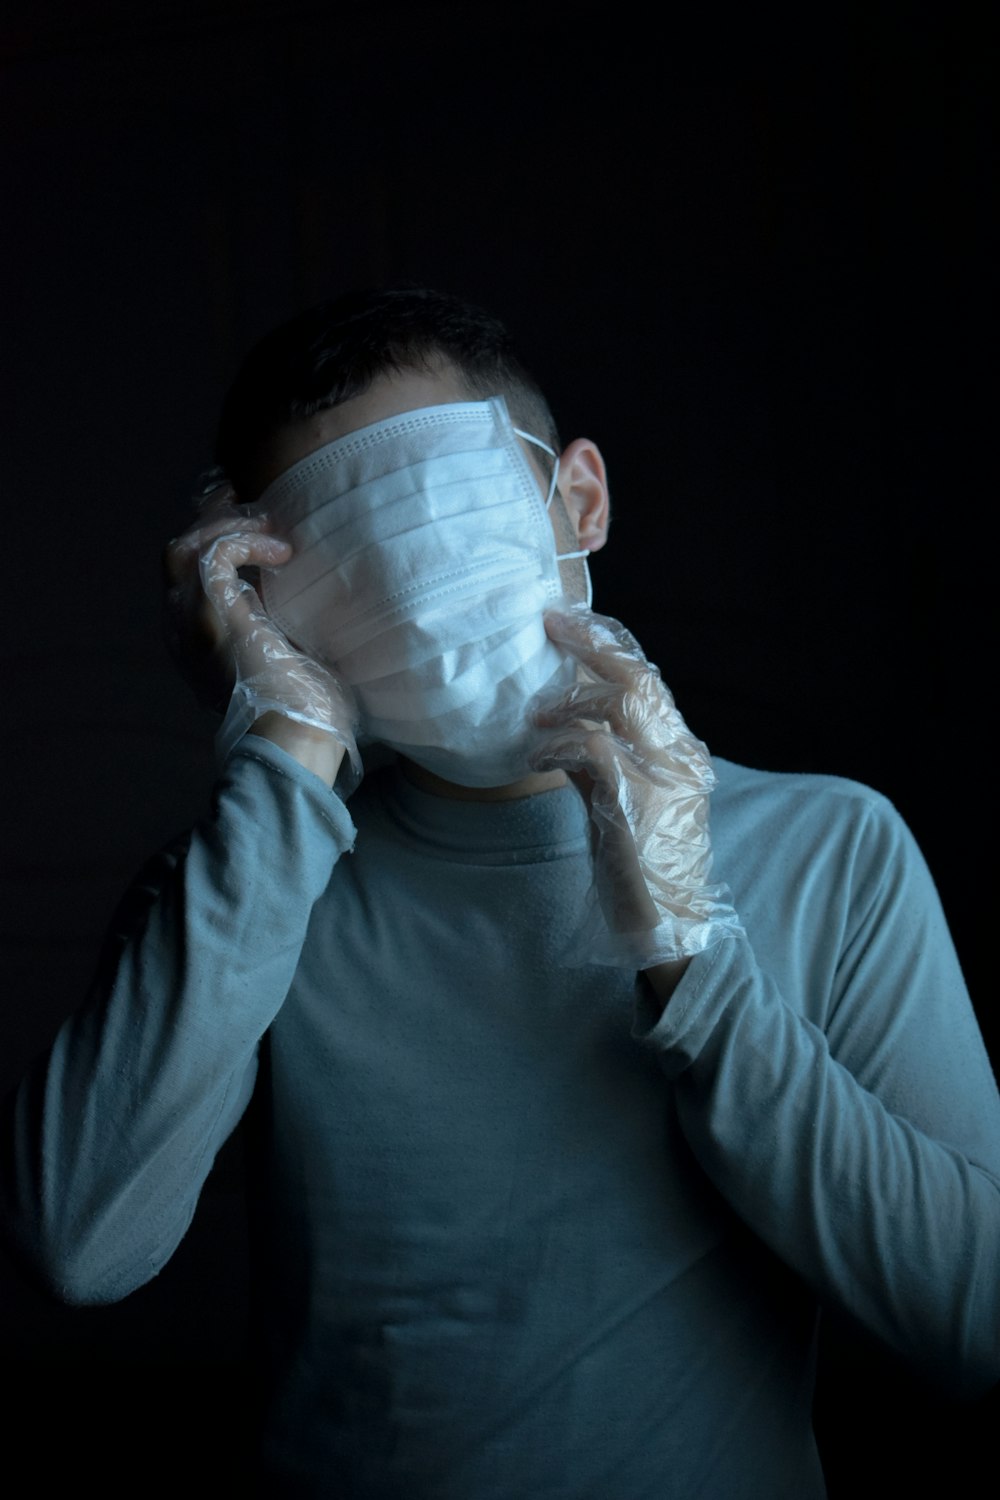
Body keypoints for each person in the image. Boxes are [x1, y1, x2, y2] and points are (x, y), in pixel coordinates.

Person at [3, 286, 998, 1498]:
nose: (420, 603)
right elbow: (83, 1244)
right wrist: (287, 762)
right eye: (348, 566)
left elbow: (972, 1322)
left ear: (576, 500)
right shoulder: (253, 884)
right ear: (261, 604)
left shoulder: (832, 845)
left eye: (444, 524)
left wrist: (692, 953)